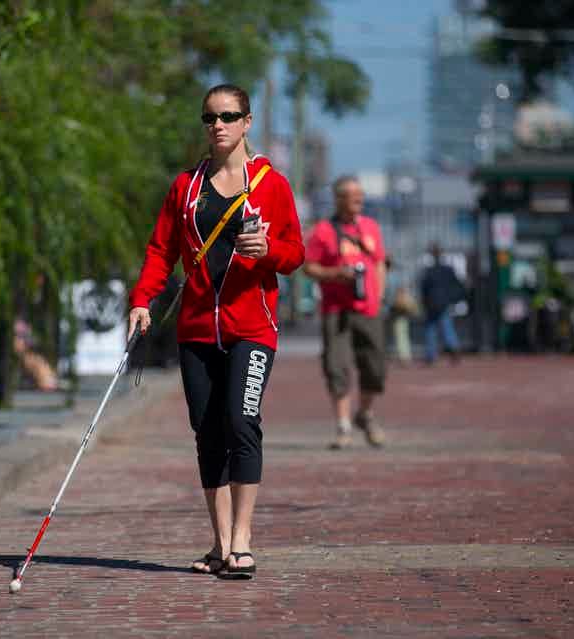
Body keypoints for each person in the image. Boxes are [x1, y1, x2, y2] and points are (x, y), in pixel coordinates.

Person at [127, 84, 304, 579]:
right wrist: (143, 300)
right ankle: (220, 542)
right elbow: (161, 250)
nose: (218, 125)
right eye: (210, 117)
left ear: (248, 122)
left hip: (253, 327)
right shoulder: (185, 187)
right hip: (198, 329)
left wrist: (265, 252)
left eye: (228, 116)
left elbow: (295, 255)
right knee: (207, 432)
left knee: (241, 421)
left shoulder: (272, 184)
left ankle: (243, 541)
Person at [303, 176, 389, 450]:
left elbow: (379, 264)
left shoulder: (371, 227)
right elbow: (308, 267)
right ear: (339, 198)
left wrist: (380, 294)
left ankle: (364, 414)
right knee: (336, 366)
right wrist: (335, 274)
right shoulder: (323, 231)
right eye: (353, 195)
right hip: (335, 309)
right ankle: (343, 426)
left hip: (368, 308)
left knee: (375, 368)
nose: (359, 200)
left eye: (360, 195)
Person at [419, 243, 465, 365]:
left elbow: (423, 288)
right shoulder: (448, 269)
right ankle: (454, 350)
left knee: (431, 329)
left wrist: (424, 301)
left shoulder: (429, 271)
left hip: (432, 303)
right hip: (444, 303)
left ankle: (431, 355)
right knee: (446, 327)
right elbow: (457, 285)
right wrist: (452, 299)